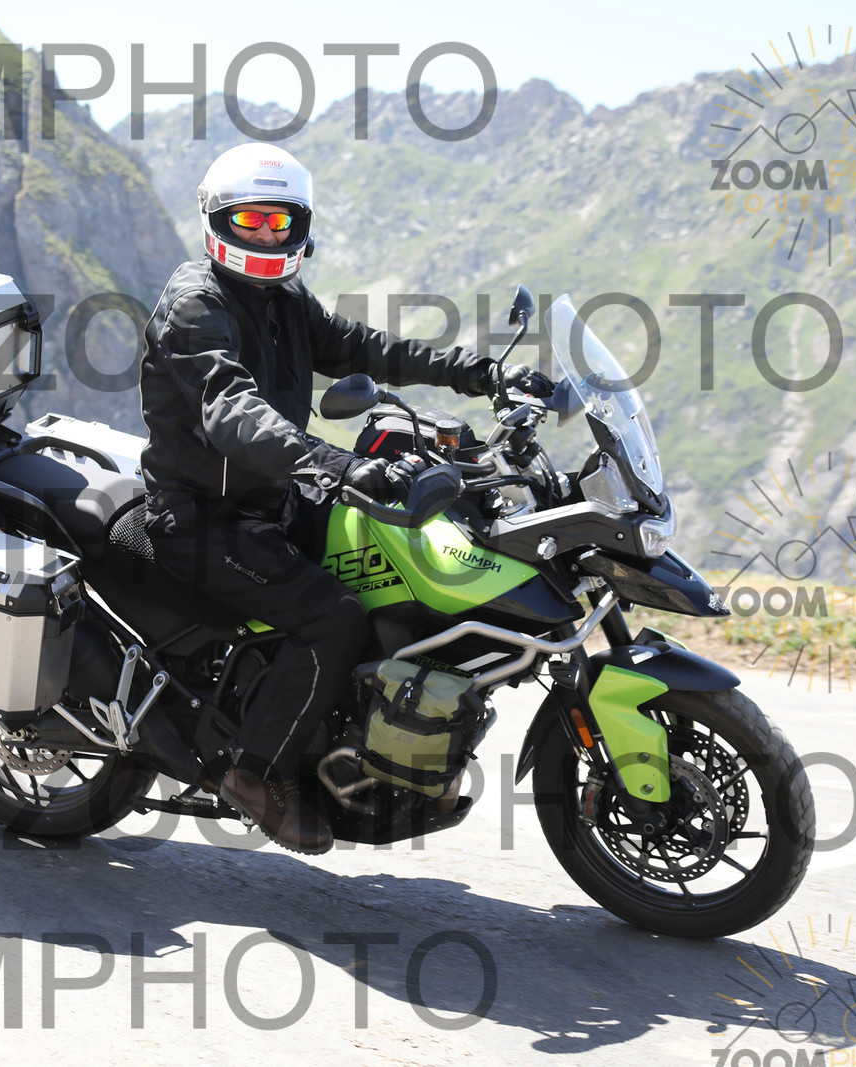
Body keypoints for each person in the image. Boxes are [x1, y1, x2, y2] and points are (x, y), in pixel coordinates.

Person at [139, 143, 552, 854]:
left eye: (279, 221)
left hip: (272, 499)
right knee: (331, 617)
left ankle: (374, 741)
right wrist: (339, 466)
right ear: (217, 220)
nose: (265, 234)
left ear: (299, 225)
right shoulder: (195, 306)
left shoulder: (282, 300)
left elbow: (369, 348)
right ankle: (255, 773)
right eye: (250, 219)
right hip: (202, 517)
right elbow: (233, 412)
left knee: (392, 566)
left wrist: (479, 373)